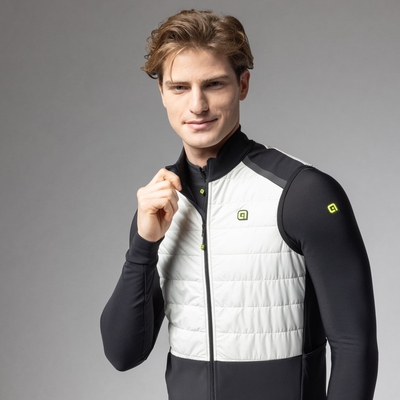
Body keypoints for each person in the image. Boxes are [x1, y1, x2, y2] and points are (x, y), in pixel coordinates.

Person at [100, 9, 378, 400]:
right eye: (179, 87)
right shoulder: (160, 208)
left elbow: (355, 347)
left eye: (213, 84)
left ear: (242, 84)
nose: (197, 105)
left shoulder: (303, 194)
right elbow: (122, 353)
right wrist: (144, 246)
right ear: (162, 92)